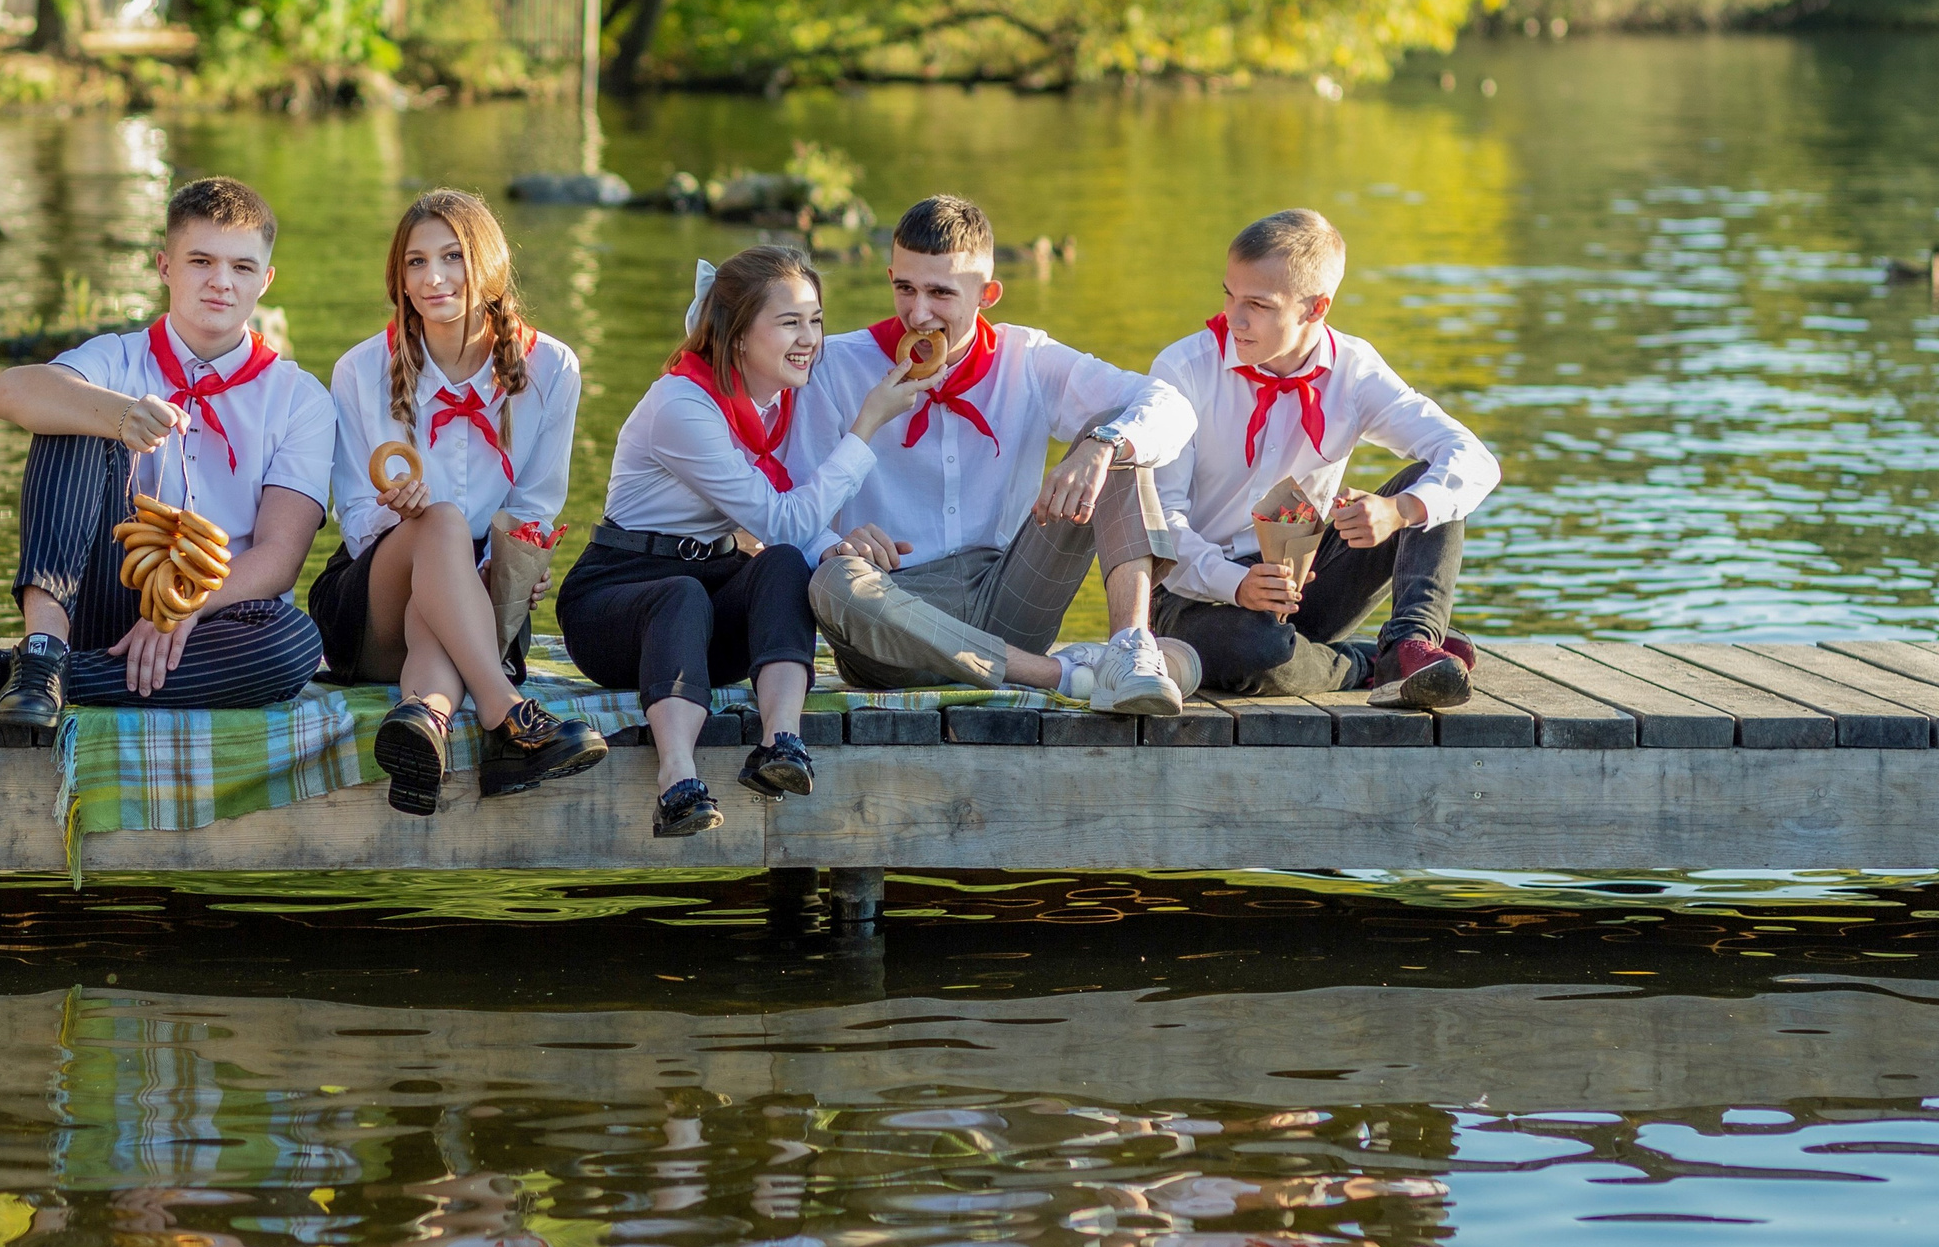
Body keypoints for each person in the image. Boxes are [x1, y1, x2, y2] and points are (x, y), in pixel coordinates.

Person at [557, 246, 923, 837]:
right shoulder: (682, 406)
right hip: (615, 603)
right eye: (789, 323)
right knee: (683, 593)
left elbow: (781, 531)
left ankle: (782, 745)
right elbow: (778, 515)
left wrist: (832, 544)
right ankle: (676, 782)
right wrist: (867, 425)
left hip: (702, 602)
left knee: (779, 565)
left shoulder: (773, 401)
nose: (810, 339)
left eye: (816, 320)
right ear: (737, 337)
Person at [791, 195, 1203, 713]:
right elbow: (791, 509)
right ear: (890, 276)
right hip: (892, 621)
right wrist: (836, 542)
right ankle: (1066, 675)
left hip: (1009, 597)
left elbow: (1173, 406)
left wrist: (1103, 446)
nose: (918, 313)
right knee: (831, 581)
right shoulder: (834, 367)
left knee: (1115, 435)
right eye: (905, 288)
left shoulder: (1027, 357)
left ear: (988, 294)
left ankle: (1129, 649)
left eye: (941, 293)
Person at [0, 177, 334, 726]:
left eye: (242, 267)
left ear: (266, 279)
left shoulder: (301, 397)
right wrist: (119, 415)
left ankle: (34, 677)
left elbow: (279, 558)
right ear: (164, 266)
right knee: (71, 412)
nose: (221, 283)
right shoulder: (117, 357)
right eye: (200, 261)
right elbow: (7, 392)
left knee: (294, 645)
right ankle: (41, 650)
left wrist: (183, 611)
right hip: (102, 598)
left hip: (212, 618)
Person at [314, 189, 605, 818]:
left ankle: (424, 724)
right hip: (370, 604)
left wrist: (510, 571)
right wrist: (403, 515)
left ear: (491, 267)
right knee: (439, 522)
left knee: (442, 599)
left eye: (451, 257)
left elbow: (533, 507)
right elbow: (358, 521)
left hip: (482, 599)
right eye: (415, 262)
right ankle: (506, 712)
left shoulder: (551, 368)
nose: (433, 278)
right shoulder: (360, 371)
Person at [1147, 208, 1501, 708]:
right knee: (1257, 650)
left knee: (1430, 487)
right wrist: (1238, 584)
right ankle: (1369, 665)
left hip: (1305, 584)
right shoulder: (1184, 370)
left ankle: (1411, 641)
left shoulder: (1353, 370)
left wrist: (1399, 511)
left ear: (1316, 309)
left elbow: (1474, 458)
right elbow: (1161, 523)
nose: (1235, 318)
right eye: (1229, 295)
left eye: (1258, 304)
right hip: (1195, 594)